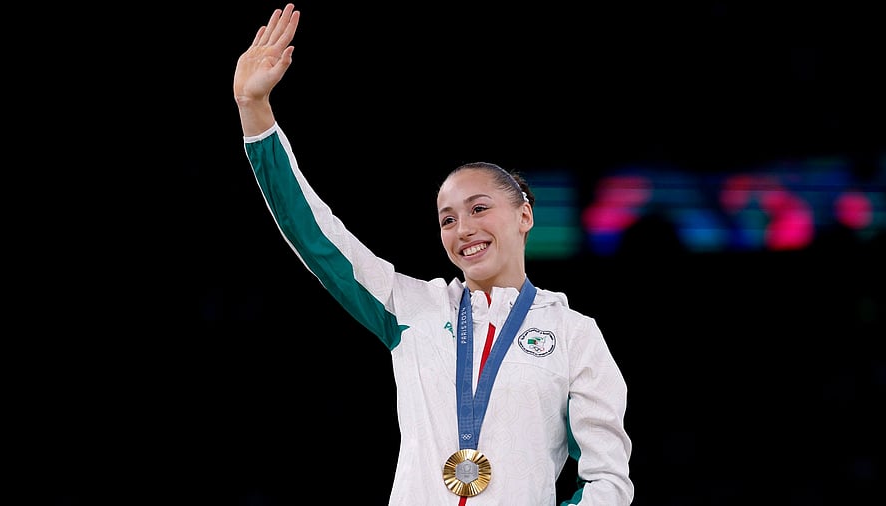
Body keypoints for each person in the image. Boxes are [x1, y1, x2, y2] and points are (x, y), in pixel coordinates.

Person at [233, 4, 634, 505]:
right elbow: (317, 237)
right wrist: (254, 111)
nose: (464, 229)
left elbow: (607, 481)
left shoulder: (573, 334)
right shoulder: (412, 308)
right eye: (448, 219)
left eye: (479, 208)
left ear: (524, 215)